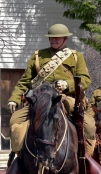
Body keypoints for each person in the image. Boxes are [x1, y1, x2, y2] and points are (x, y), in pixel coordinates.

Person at [8, 23, 96, 158]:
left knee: (89, 126)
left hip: (64, 97)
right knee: (15, 120)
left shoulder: (75, 56)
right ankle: (21, 157)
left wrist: (67, 84)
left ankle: (86, 159)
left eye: (57, 38)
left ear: (65, 39)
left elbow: (85, 80)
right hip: (40, 99)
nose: (54, 40)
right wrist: (14, 98)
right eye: (51, 38)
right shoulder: (38, 56)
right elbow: (25, 81)